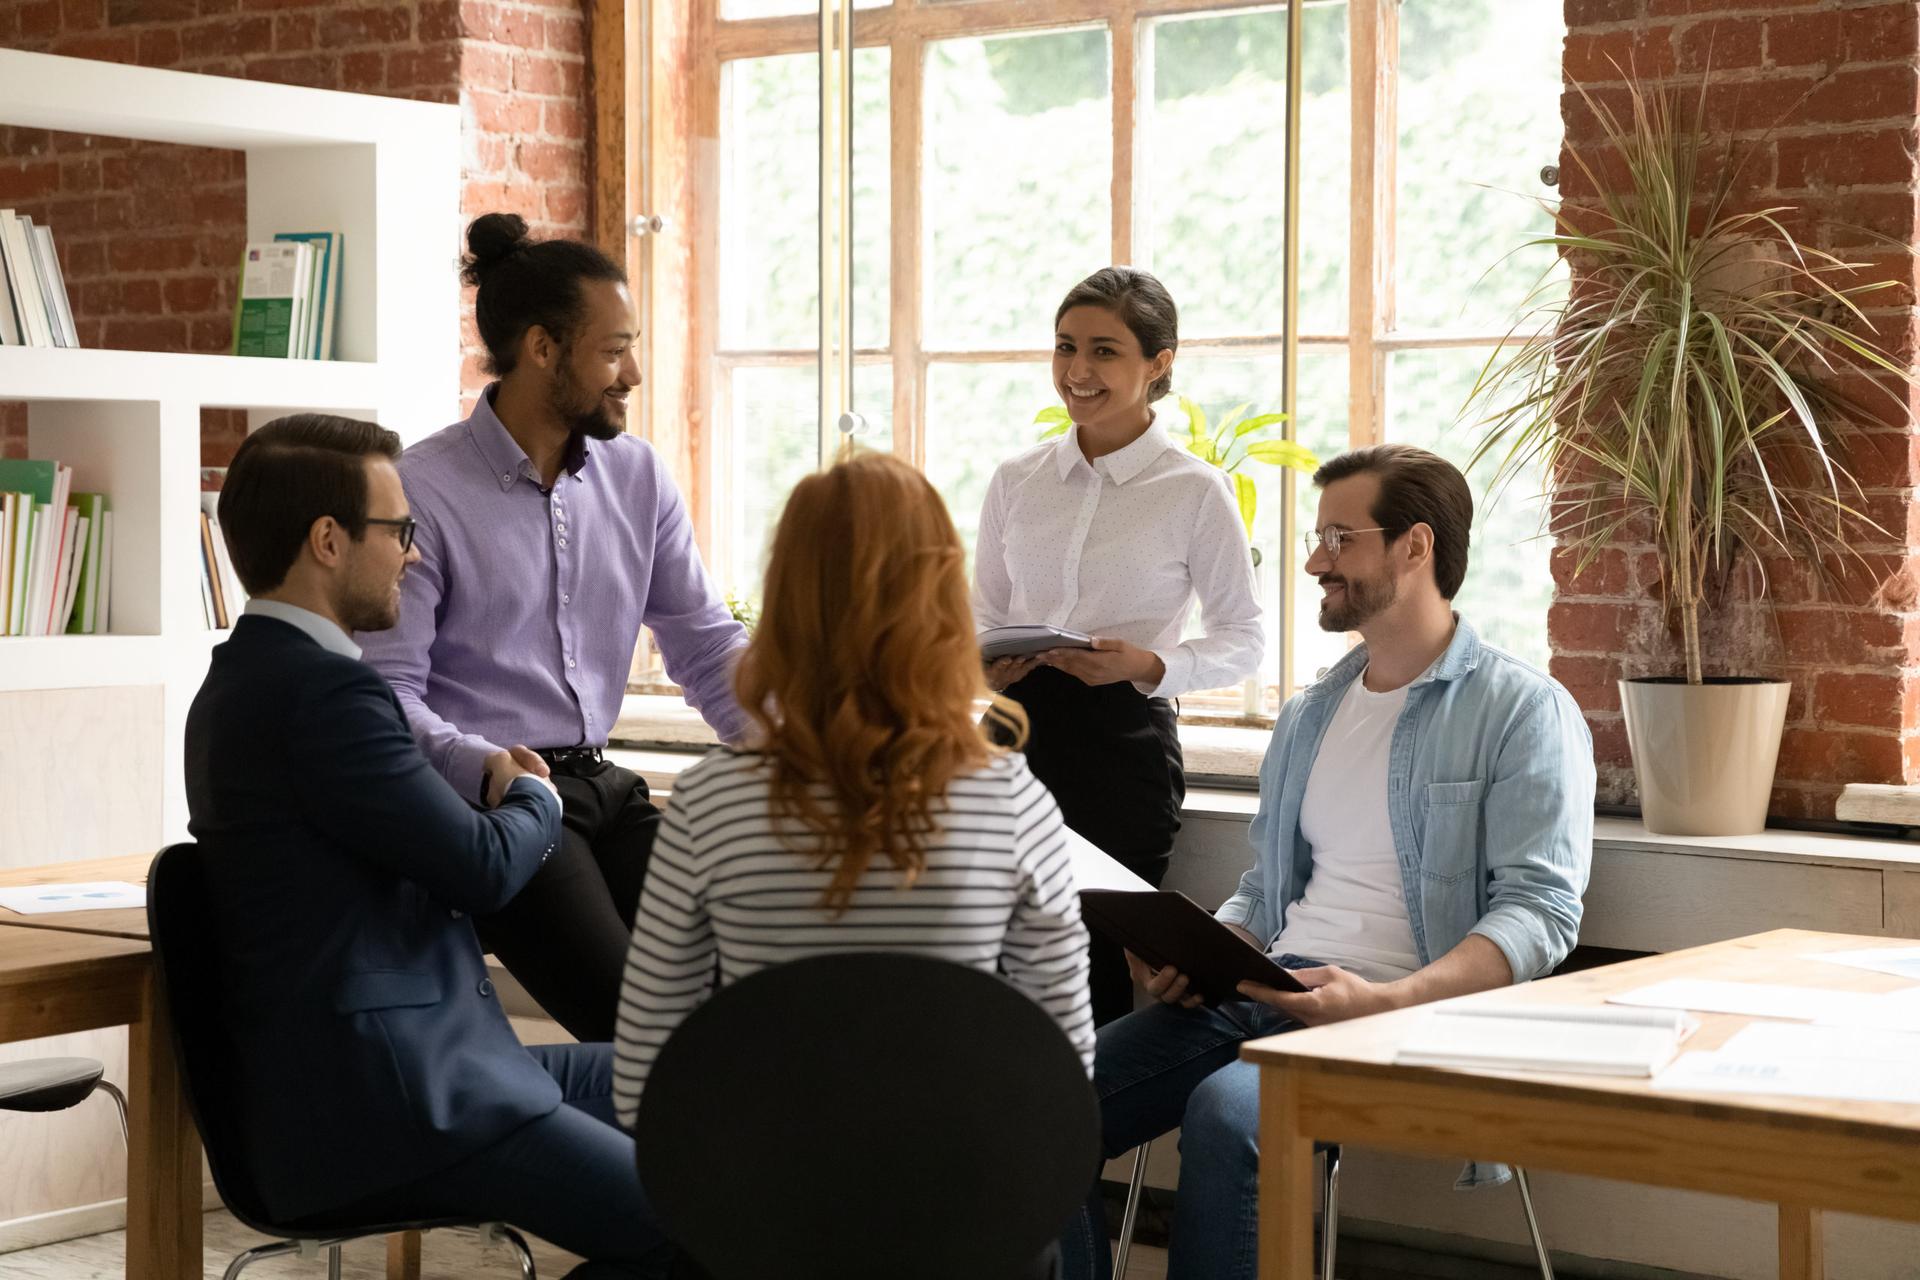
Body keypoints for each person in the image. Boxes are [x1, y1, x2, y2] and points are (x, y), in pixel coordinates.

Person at [1059, 444, 1596, 1280]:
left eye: (1339, 539)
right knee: (1036, 1105)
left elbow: (1541, 910)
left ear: (1414, 547)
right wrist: (1201, 945)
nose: (1314, 561)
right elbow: (1268, 888)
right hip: (1266, 986)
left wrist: (1384, 999)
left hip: (1406, 1011)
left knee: (1225, 1111)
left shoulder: (1523, 709)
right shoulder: (1313, 712)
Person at [186, 414, 673, 1277]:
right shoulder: (324, 697)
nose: (413, 553)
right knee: (713, 1221)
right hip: (404, 1105)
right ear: (329, 541)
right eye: (400, 531)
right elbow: (483, 867)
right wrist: (532, 791)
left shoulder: (248, 680)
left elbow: (441, 849)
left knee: (709, 1081)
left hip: (446, 1069)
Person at [359, 213, 751, 1044]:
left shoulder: (638, 476)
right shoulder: (418, 490)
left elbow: (708, 647)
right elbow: (386, 692)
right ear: (542, 349)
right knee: (643, 1025)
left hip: (607, 789)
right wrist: (486, 764)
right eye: (614, 351)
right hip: (504, 805)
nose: (634, 373)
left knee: (749, 994)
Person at [613, 452, 1095, 1125]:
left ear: (785, 600)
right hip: (963, 1203)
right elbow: (1064, 1070)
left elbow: (641, 1080)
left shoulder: (707, 804)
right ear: (943, 602)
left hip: (758, 1202)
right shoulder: (1010, 802)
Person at [973, 265, 1264, 1026]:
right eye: (1066, 347)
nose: (1078, 371)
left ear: (1158, 364)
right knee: (979, 965)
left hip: (1121, 751)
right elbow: (981, 614)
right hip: (1008, 740)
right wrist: (984, 661)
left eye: (1105, 351)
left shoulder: (1195, 490)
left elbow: (1245, 639)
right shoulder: (1016, 480)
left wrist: (1148, 665)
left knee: (1085, 973)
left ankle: (1075, 1139)